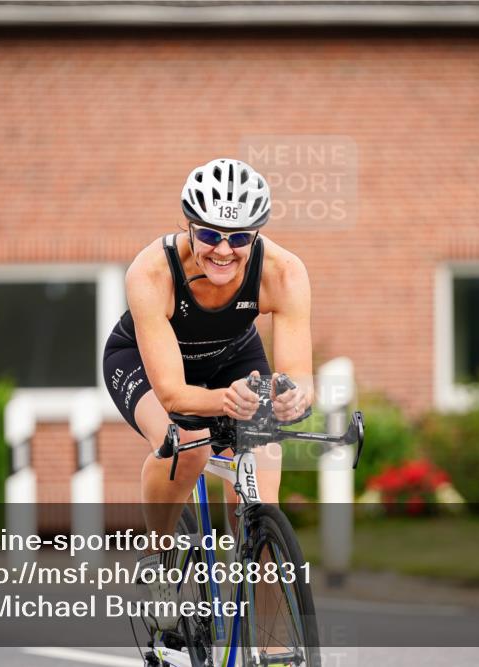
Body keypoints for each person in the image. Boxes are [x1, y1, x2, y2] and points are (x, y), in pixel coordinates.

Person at [102, 158, 314, 631]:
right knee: (188, 445)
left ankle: (274, 645)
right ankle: (159, 560)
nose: (223, 249)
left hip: (234, 359)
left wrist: (293, 397)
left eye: (239, 238)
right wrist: (225, 403)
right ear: (189, 226)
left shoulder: (284, 272)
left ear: (256, 236)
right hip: (142, 361)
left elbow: (299, 372)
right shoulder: (152, 272)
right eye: (209, 234)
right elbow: (175, 395)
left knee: (261, 493)